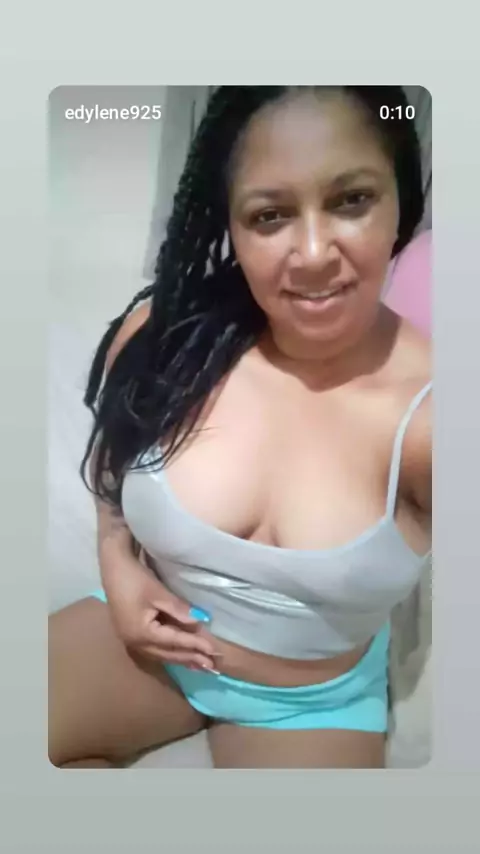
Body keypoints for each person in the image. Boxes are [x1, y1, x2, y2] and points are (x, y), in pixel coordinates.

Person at [48, 85, 432, 769]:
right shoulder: (169, 336)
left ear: (401, 201)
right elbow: (113, 459)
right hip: (146, 647)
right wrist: (118, 562)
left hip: (308, 706)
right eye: (269, 215)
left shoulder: (435, 415)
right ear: (231, 224)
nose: (312, 252)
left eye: (351, 199)